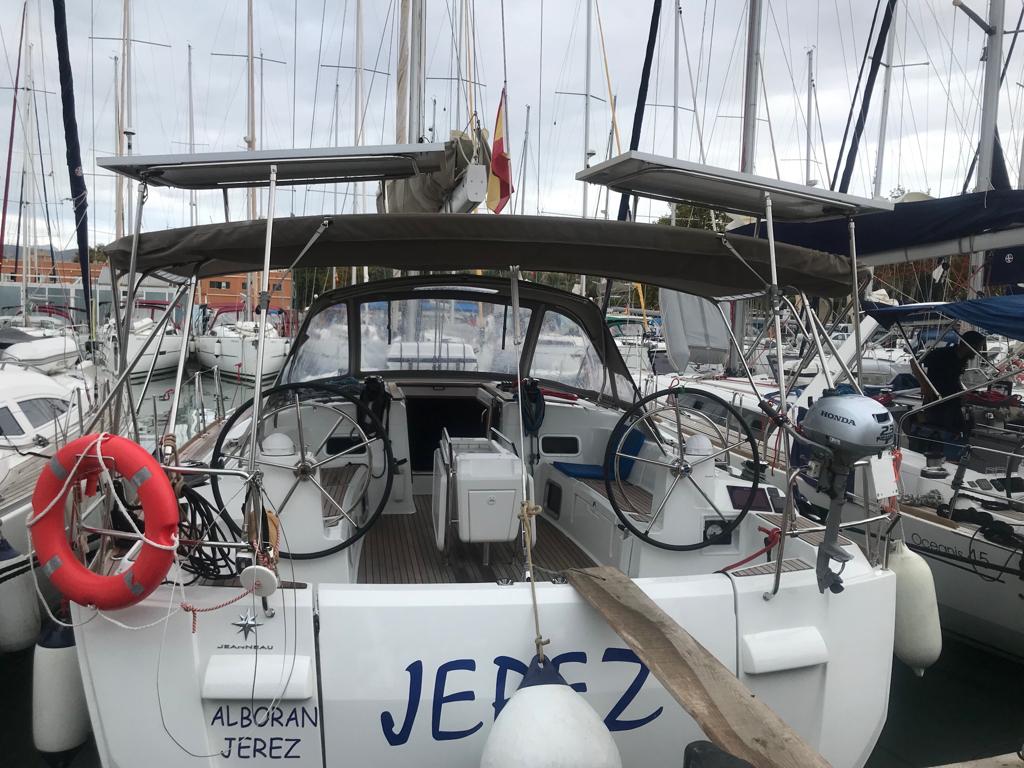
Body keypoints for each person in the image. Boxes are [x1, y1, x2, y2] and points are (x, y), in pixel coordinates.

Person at [909, 330, 987, 460]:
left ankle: (954, 459)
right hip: (936, 402)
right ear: (967, 344)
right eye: (977, 347)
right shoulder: (942, 354)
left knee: (959, 433)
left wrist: (962, 392)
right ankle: (935, 460)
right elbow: (913, 362)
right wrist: (924, 385)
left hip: (952, 404)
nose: (978, 351)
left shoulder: (962, 359)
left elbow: (954, 378)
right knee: (936, 437)